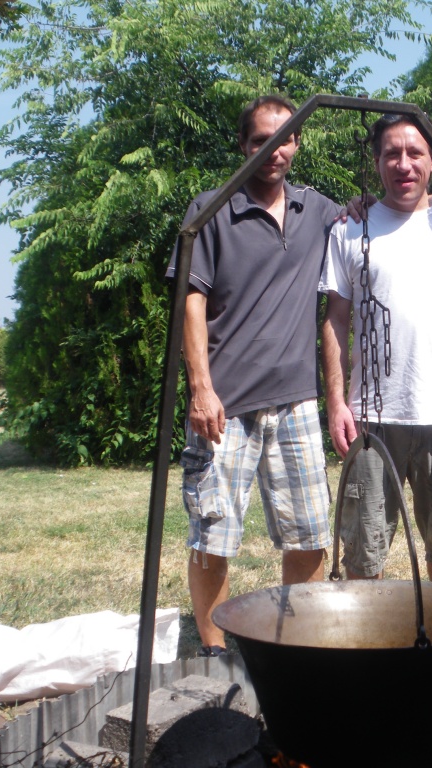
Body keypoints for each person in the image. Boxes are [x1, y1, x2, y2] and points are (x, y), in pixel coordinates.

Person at [167, 95, 338, 657]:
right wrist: (200, 388)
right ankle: (215, 649)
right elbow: (191, 301)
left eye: (284, 139)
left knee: (309, 532)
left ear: (297, 143)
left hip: (297, 402)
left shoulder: (319, 210)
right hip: (225, 405)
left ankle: (299, 646)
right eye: (262, 140)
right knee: (213, 535)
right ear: (244, 145)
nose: (273, 150)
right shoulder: (212, 210)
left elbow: (379, 213)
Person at [321, 113, 432, 584]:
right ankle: (366, 634)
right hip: (371, 418)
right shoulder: (349, 228)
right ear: (376, 162)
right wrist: (336, 402)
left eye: (414, 153)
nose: (403, 164)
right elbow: (336, 319)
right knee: (363, 555)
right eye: (391, 153)